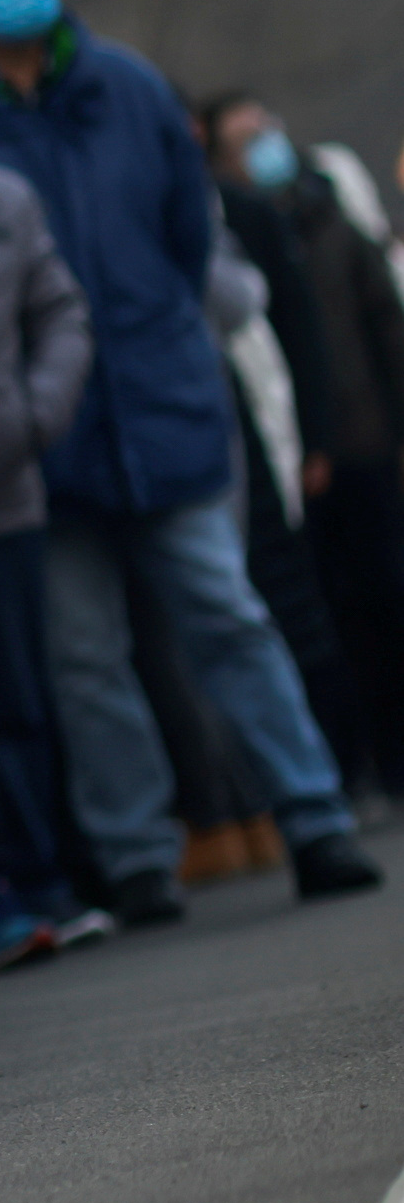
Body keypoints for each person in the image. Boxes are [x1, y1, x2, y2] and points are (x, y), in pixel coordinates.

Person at [0, 0, 384, 907]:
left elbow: (190, 236)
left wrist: (158, 343)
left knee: (226, 616)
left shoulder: (128, 87)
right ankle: (135, 853)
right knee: (84, 653)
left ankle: (310, 812)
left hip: (160, 404)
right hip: (43, 433)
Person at [209, 92, 404, 802]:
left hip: (362, 438)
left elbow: (385, 326)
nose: (262, 145)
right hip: (287, 451)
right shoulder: (244, 227)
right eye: (242, 138)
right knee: (328, 610)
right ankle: (351, 756)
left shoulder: (331, 219)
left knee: (387, 590)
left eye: (266, 130)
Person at [0, 154, 111, 960]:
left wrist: (35, 415)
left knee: (20, 695)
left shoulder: (6, 193)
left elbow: (62, 314)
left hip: (6, 491)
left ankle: (43, 878)